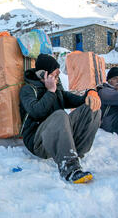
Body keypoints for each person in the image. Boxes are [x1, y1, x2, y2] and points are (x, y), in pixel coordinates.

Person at [19, 54, 101, 184]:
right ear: (42, 75)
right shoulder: (28, 90)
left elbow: (78, 101)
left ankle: (74, 151)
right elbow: (36, 111)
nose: (58, 78)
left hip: (58, 140)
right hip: (38, 142)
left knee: (91, 107)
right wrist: (50, 91)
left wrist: (91, 92)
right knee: (60, 115)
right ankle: (69, 167)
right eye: (55, 75)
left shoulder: (57, 89)